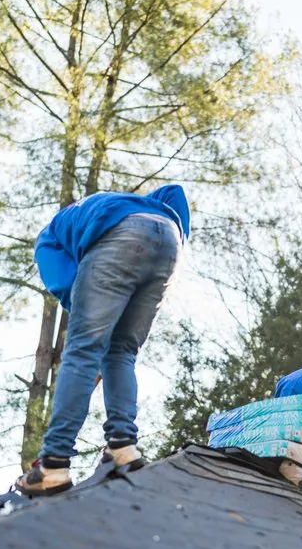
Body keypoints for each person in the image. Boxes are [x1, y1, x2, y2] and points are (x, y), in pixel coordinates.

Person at [16, 185, 190, 497]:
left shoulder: (48, 239)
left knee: (82, 350)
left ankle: (54, 465)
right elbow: (175, 191)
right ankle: (123, 447)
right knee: (122, 352)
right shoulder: (132, 201)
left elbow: (68, 288)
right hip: (170, 240)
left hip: (120, 239)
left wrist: (93, 331)